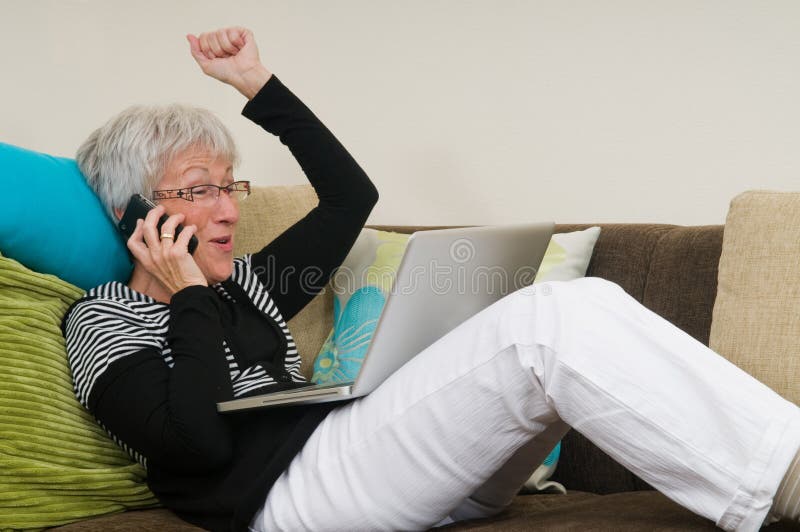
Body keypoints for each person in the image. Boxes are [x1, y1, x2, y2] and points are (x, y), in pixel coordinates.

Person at [61, 26, 800, 532]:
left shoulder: (252, 282)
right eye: (199, 188)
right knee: (554, 323)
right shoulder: (102, 319)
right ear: (135, 214)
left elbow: (352, 197)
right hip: (284, 502)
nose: (227, 209)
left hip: (382, 467)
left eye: (232, 186)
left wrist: (256, 82)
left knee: (578, 321)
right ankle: (784, 480)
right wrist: (188, 293)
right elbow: (197, 449)